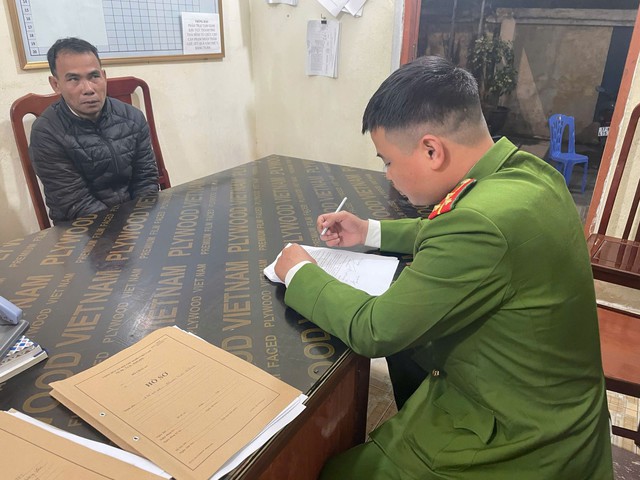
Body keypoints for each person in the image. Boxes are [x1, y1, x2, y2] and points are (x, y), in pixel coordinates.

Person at [274, 56, 613, 479]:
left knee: (337, 473)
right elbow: (447, 230)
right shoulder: (527, 174)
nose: (388, 175)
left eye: (387, 161)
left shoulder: (479, 224)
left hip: (525, 439)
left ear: (432, 150)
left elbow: (374, 330)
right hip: (564, 411)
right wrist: (369, 230)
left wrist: (300, 272)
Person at [29, 37, 159, 224]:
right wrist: (124, 231)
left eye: (94, 76)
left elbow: (146, 179)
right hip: (82, 228)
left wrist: (144, 222)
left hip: (135, 219)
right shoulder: (46, 133)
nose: (88, 89)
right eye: (74, 79)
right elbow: (75, 203)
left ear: (104, 76)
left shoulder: (132, 117)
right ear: (56, 84)